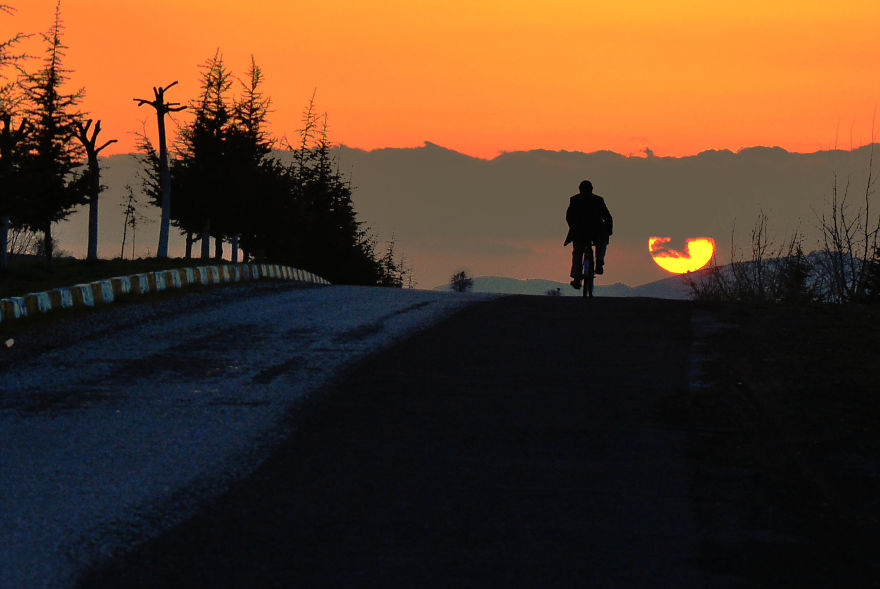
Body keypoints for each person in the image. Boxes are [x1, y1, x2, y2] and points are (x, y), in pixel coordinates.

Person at [563, 180, 613, 289]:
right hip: (596, 231)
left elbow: (568, 217)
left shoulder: (575, 200)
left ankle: (577, 277)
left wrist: (573, 227)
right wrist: (609, 231)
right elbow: (607, 217)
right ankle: (599, 262)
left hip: (580, 232)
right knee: (601, 243)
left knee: (577, 253)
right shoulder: (598, 200)